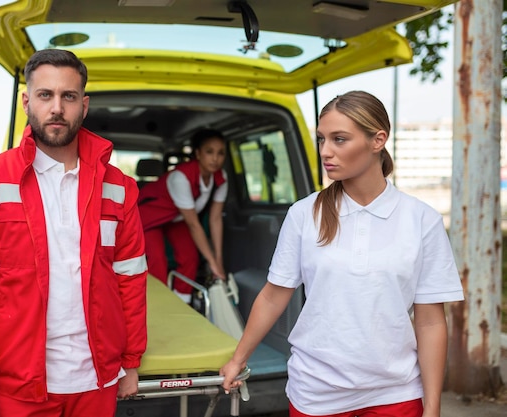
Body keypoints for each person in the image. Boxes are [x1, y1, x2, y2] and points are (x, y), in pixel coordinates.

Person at [220, 91, 464, 417]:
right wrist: (239, 359)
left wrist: (432, 406)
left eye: (339, 139)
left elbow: (431, 321)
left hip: (396, 392)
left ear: (378, 140)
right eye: (321, 139)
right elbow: (273, 296)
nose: (325, 151)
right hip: (316, 391)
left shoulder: (422, 219)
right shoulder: (304, 214)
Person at [0, 49, 148, 417]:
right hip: (17, 386)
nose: (56, 108)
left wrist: (130, 361)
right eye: (45, 95)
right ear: (26, 101)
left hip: (96, 381)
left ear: (84, 105)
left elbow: (130, 279)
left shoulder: (119, 188)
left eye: (68, 96)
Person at [137, 129, 227, 303]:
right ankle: (158, 304)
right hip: (149, 217)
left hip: (176, 218)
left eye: (220, 153)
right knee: (157, 259)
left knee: (190, 257)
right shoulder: (181, 177)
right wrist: (213, 263)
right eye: (209, 152)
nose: (215, 158)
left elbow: (216, 219)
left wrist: (218, 260)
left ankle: (181, 304)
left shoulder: (220, 178)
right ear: (198, 154)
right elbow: (193, 224)